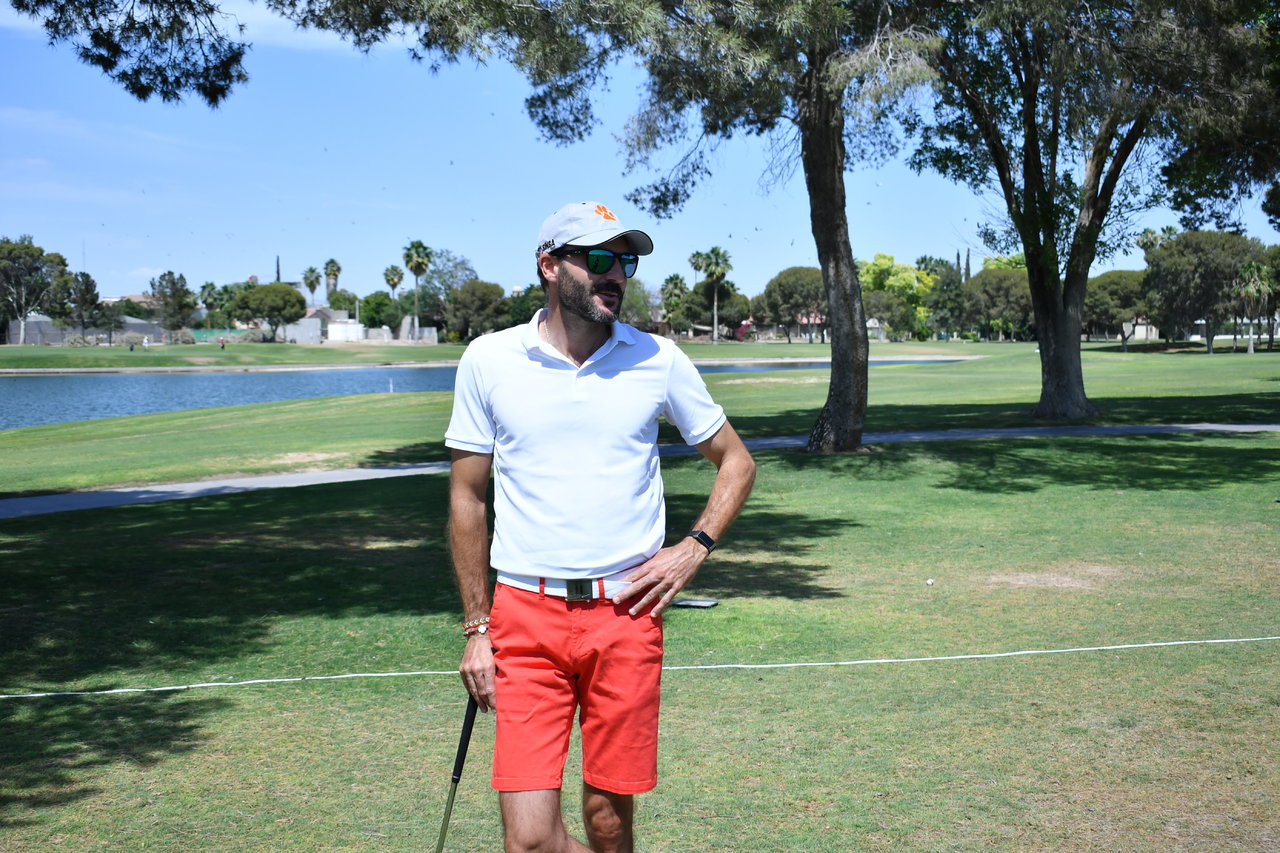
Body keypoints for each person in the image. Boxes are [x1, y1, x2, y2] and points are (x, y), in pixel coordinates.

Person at [445, 201, 756, 853]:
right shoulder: (488, 359)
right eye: (599, 259)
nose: (616, 274)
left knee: (608, 822)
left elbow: (736, 461)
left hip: (626, 614)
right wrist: (476, 628)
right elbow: (467, 499)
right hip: (523, 615)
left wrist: (692, 548)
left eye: (626, 262)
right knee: (530, 840)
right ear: (550, 266)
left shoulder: (658, 358)